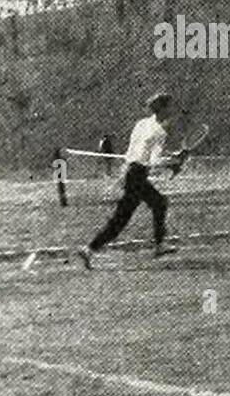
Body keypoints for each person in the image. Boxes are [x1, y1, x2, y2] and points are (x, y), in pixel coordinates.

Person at [77, 93, 186, 269]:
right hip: (137, 174)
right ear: (163, 108)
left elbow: (137, 152)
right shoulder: (159, 132)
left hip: (129, 171)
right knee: (145, 209)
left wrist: (173, 159)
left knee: (148, 207)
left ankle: (90, 249)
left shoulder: (141, 124)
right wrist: (174, 161)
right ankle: (158, 246)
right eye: (170, 107)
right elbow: (154, 161)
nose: (172, 110)